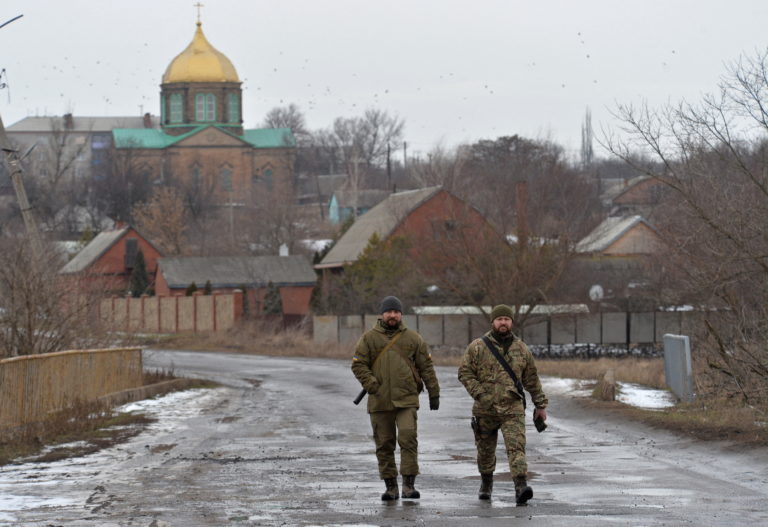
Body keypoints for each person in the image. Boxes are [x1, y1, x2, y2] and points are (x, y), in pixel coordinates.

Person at [352, 295, 440, 501]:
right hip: (379, 400)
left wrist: (434, 393)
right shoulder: (369, 338)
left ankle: (409, 486)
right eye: (389, 311)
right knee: (384, 444)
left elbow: (426, 367)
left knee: (408, 438)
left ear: (401, 314)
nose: (393, 315)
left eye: (396, 311)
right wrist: (370, 384)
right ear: (382, 314)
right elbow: (358, 364)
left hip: (406, 399)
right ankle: (390, 487)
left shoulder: (413, 338)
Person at [458, 304, 548, 505]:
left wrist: (540, 405)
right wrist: (480, 393)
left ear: (511, 322)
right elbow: (464, 373)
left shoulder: (521, 349)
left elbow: (531, 379)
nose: (503, 323)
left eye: (507, 319)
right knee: (485, 450)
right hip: (485, 408)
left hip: (512, 407)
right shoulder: (478, 347)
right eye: (500, 319)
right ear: (493, 322)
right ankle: (486, 484)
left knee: (516, 447)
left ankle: (520, 486)